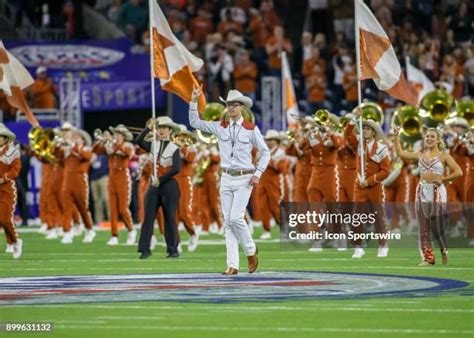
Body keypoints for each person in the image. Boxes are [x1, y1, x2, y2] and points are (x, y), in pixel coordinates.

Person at [189, 86, 270, 275]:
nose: (231, 108)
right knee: (228, 222)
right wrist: (193, 101)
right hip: (225, 176)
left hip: (245, 177)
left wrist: (258, 173)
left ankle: (250, 251)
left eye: (234, 105)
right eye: (229, 105)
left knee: (235, 218)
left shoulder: (251, 129)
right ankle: (232, 265)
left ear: (242, 107)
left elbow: (265, 152)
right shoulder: (220, 127)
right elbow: (194, 122)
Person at [394, 127, 462, 266]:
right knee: (423, 227)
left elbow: (459, 172)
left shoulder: (444, 156)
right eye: (427, 136)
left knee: (436, 226)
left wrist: (443, 179)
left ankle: (443, 250)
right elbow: (400, 153)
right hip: (422, 190)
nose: (429, 138)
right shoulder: (419, 155)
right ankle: (428, 258)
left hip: (437, 191)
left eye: (432, 136)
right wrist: (396, 136)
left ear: (438, 139)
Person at [136, 117, 181, 259]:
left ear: (170, 131)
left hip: (169, 186)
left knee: (169, 218)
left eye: (164, 128)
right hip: (154, 187)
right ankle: (145, 249)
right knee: (148, 218)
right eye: (159, 127)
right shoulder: (153, 145)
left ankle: (173, 249)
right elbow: (138, 141)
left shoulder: (175, 148)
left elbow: (176, 169)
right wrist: (148, 128)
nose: (161, 130)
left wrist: (160, 180)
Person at [93, 124, 136, 245]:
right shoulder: (110, 144)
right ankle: (114, 235)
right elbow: (95, 150)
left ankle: (131, 230)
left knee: (123, 208)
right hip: (112, 176)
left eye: (117, 134)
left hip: (123, 176)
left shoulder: (127, 145)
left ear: (123, 136)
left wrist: (112, 142)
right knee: (113, 209)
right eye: (115, 133)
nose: (115, 135)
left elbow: (127, 153)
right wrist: (100, 140)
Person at [0, 123, 22, 259]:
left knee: (5, 218)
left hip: (7, 188)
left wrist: (3, 179)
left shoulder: (13, 151)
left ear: (5, 138)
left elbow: (15, 170)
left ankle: (16, 241)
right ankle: (10, 242)